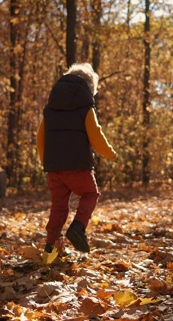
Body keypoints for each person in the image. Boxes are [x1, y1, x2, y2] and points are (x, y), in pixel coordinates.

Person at [37, 63, 117, 254]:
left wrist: (45, 161)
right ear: (89, 87)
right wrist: (109, 153)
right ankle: (78, 228)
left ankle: (51, 246)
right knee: (90, 194)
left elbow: (40, 136)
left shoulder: (51, 108)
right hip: (78, 165)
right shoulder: (85, 106)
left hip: (54, 167)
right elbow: (95, 134)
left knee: (58, 206)